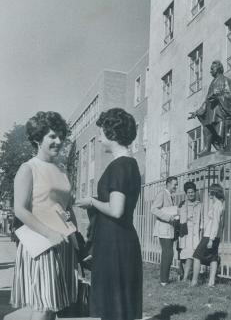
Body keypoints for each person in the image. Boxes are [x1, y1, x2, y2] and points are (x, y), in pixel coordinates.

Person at [10, 111, 78, 320]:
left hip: (62, 242)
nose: (58, 141)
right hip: (40, 243)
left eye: (60, 136)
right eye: (52, 136)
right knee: (41, 306)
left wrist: (75, 236)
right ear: (37, 139)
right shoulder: (28, 168)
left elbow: (64, 208)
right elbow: (19, 209)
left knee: (52, 307)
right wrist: (49, 234)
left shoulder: (61, 170)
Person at [76, 108, 142, 320]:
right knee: (119, 307)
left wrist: (92, 202)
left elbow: (116, 209)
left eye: (101, 132)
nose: (99, 138)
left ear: (112, 133)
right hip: (119, 242)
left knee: (114, 309)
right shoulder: (129, 164)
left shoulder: (119, 166)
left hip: (115, 245)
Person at [188, 60, 231, 155]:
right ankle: (207, 147)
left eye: (212, 68)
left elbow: (230, 96)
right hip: (211, 110)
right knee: (206, 127)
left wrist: (219, 96)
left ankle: (221, 146)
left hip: (219, 110)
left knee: (218, 125)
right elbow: (207, 100)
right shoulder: (212, 82)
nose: (210, 71)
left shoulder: (226, 80)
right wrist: (198, 111)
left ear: (218, 68)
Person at [191, 183, 225, 287]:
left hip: (210, 236)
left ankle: (194, 282)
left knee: (197, 256)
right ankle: (211, 282)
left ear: (214, 192)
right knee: (213, 258)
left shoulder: (217, 205)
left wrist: (211, 239)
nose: (208, 193)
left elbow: (216, 223)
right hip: (215, 236)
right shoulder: (219, 204)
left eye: (210, 191)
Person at [151, 176, 179, 286]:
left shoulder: (170, 196)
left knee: (168, 253)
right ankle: (164, 280)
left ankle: (164, 279)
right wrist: (169, 217)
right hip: (163, 228)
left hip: (169, 228)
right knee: (168, 253)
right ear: (168, 184)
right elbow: (153, 209)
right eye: (174, 184)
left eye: (176, 184)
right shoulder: (162, 194)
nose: (176, 186)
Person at [178, 181, 203, 281]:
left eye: (192, 192)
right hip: (186, 233)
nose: (191, 194)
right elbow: (178, 219)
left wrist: (201, 232)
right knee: (187, 256)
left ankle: (188, 278)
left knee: (193, 255)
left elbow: (202, 220)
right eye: (189, 192)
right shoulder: (182, 205)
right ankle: (184, 277)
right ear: (186, 193)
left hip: (196, 233)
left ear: (195, 192)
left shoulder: (200, 205)